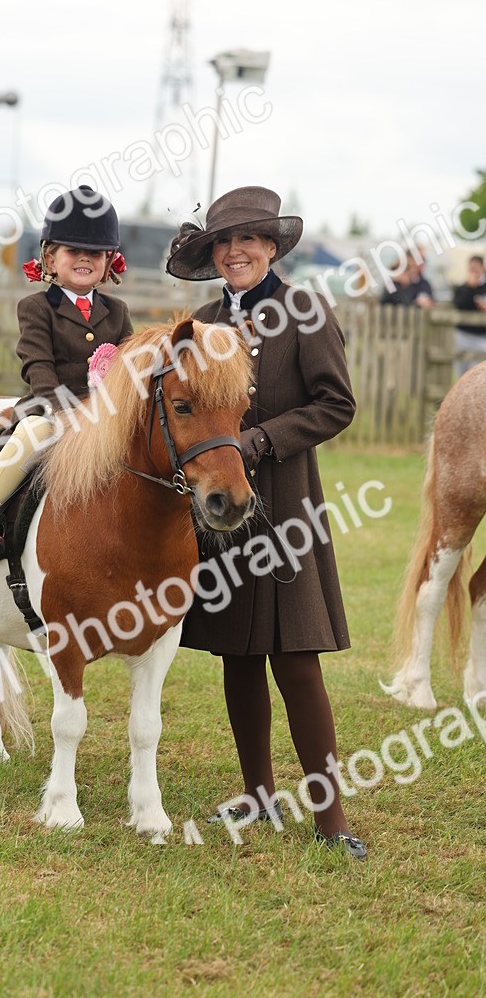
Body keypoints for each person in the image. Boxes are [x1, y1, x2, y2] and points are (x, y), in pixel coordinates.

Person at [166, 186, 366, 860]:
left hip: (284, 507)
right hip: (220, 513)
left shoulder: (304, 310)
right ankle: (256, 795)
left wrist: (259, 442)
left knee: (296, 662)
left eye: (247, 240)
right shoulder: (198, 321)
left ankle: (331, 817)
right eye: (223, 242)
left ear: (272, 248)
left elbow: (336, 404)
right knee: (237, 655)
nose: (234, 252)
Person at [0, 186, 133, 561]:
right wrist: (61, 408)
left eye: (95, 253)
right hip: (52, 408)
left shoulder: (118, 312)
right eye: (74, 251)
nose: (84, 259)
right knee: (35, 432)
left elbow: (129, 366)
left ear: (108, 262)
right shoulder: (36, 307)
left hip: (107, 414)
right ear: (50, 259)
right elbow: (36, 363)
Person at [452, 255, 486, 376]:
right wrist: (470, 287)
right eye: (471, 269)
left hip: (482, 337)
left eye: (476, 269)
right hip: (463, 335)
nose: (474, 272)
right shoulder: (462, 288)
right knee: (460, 372)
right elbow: (459, 304)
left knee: (478, 374)